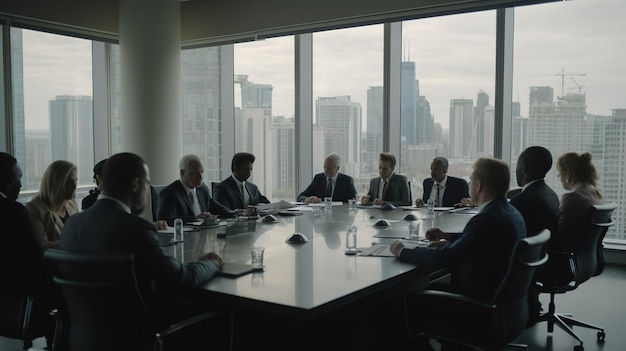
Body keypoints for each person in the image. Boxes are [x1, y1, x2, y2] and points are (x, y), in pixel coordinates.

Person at [60, 152, 224, 326]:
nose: (147, 191)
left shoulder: (71, 225)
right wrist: (212, 262)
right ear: (135, 184)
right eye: (147, 184)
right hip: (138, 335)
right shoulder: (136, 228)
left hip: (84, 336)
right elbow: (180, 278)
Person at [390, 158, 526, 301]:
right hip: (503, 301)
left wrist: (403, 251)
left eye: (471, 181)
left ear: (478, 186)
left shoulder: (487, 219)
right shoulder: (511, 212)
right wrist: (447, 237)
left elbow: (445, 257)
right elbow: (477, 240)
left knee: (406, 295)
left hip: (475, 303)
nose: (469, 185)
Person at [0, 153, 52, 340]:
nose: (21, 184)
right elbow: (34, 261)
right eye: (20, 176)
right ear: (11, 178)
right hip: (15, 306)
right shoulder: (13, 212)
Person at [158, 154, 236, 225]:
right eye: (195, 173)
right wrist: (195, 219)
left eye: (201, 172)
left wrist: (236, 213)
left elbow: (218, 209)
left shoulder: (202, 189)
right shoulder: (169, 193)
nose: (200, 177)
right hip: (183, 237)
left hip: (204, 235)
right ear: (182, 173)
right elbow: (167, 220)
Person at [552, 151, 603, 252]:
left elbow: (559, 236)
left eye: (560, 175)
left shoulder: (573, 198)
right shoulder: (596, 195)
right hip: (586, 259)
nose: (560, 178)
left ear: (568, 175)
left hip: (566, 259)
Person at [26, 160, 79, 250]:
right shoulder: (35, 209)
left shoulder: (72, 204)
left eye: (76, 181)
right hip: (51, 262)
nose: (75, 186)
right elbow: (42, 247)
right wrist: (75, 241)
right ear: (56, 184)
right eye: (69, 182)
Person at [509, 146, 560, 237]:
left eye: (517, 165)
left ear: (524, 166)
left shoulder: (521, 201)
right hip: (544, 250)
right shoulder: (552, 195)